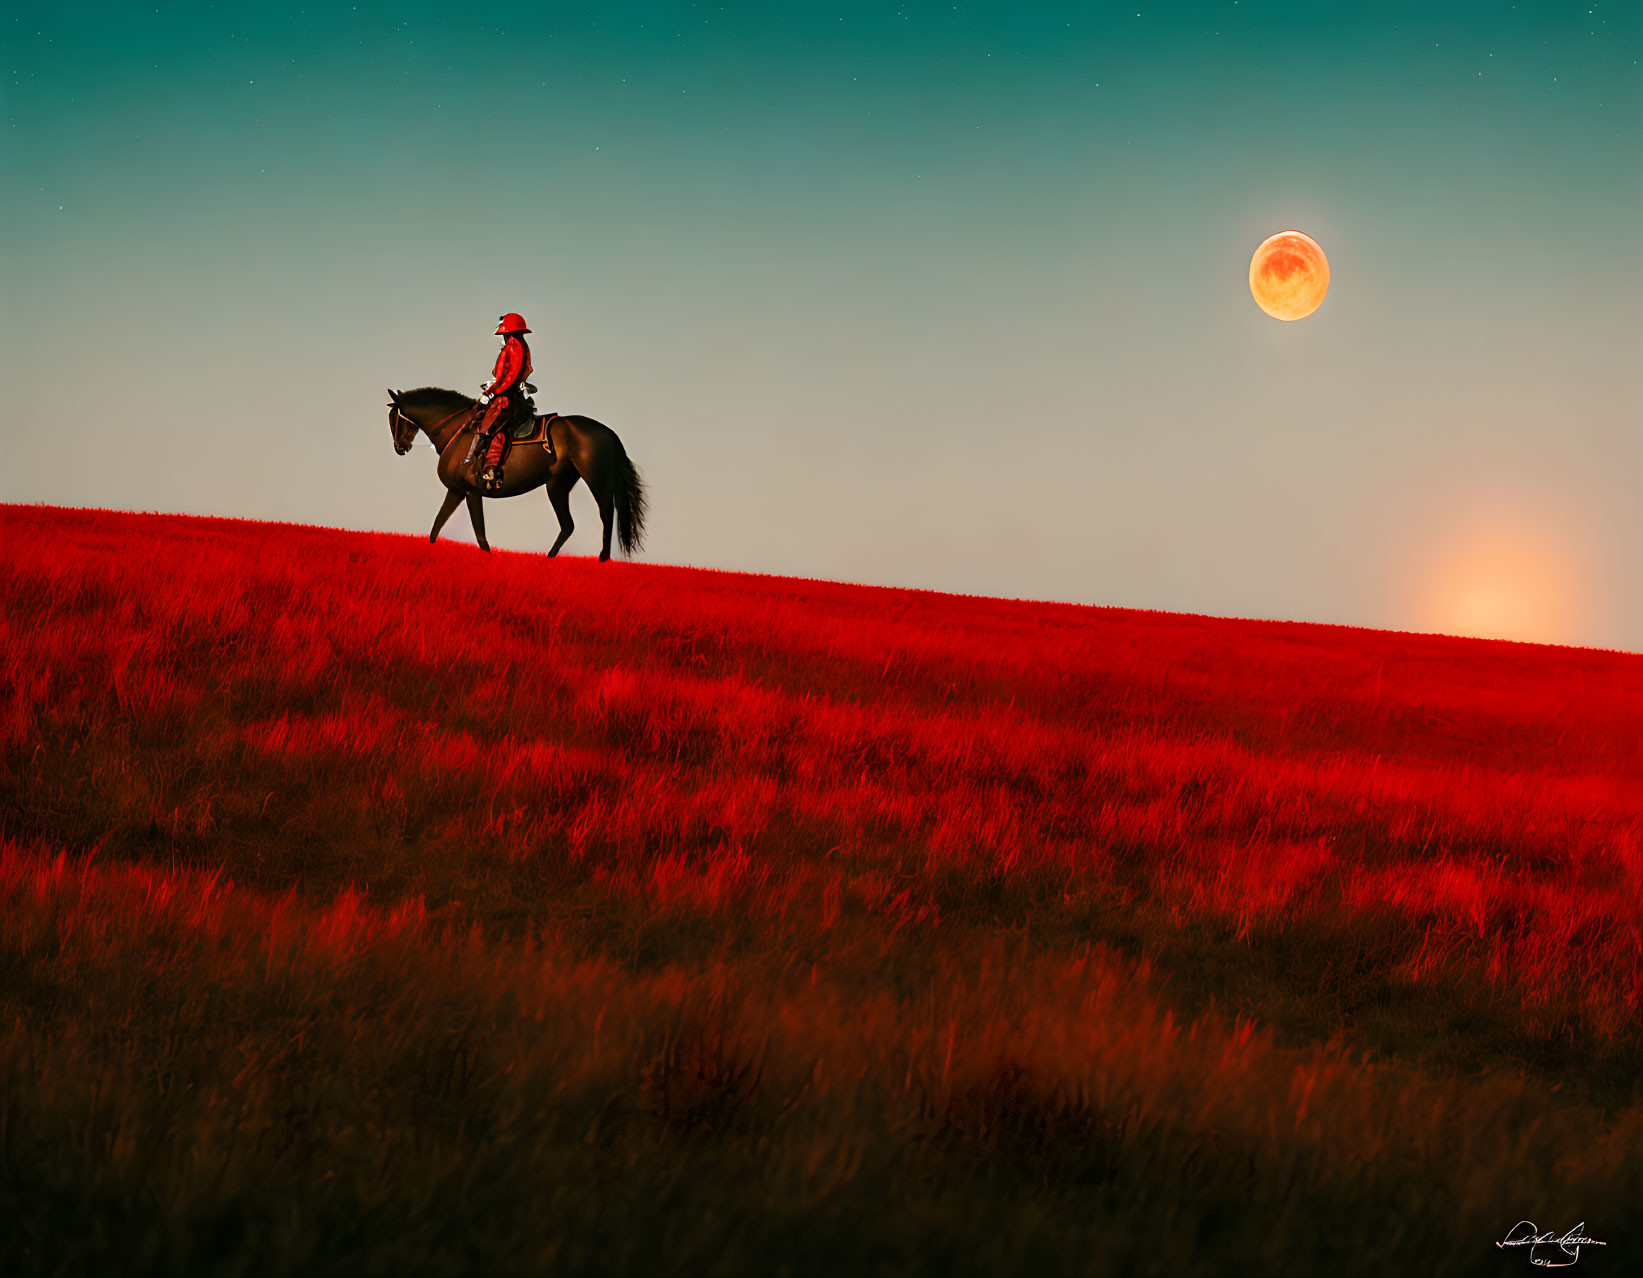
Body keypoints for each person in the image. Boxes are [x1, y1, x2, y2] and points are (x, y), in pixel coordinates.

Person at [470, 312, 537, 492]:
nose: (504, 337)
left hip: (507, 396)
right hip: (503, 391)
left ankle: (492, 468)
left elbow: (510, 377)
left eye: (505, 333)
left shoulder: (515, 347)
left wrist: (491, 392)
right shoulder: (514, 347)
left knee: (492, 425)